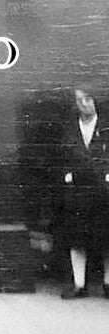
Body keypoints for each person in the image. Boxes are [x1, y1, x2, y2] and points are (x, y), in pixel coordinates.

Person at [58, 85, 109, 299]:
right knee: (77, 238)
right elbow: (61, 158)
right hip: (78, 192)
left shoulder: (106, 127)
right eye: (79, 100)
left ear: (95, 101)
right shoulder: (70, 130)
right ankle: (79, 285)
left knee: (107, 237)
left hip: (104, 190)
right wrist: (67, 174)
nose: (84, 104)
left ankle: (108, 283)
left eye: (87, 99)